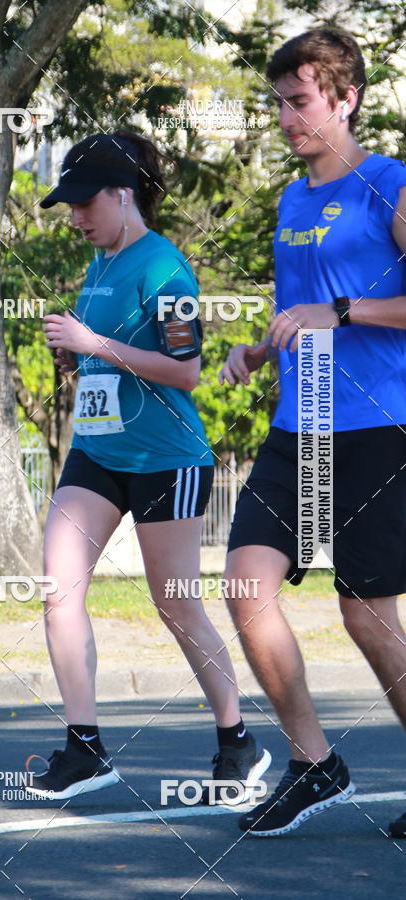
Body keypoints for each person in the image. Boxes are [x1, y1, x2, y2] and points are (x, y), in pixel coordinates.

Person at [24, 130, 271, 802]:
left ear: (122, 194)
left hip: (167, 458)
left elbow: (186, 372)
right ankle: (86, 747)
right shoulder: (99, 266)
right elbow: (111, 357)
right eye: (68, 204)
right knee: (59, 589)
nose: (73, 216)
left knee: (175, 605)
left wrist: (92, 340)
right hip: (97, 453)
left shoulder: (167, 269)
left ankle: (237, 740)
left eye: (82, 203)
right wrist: (80, 358)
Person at [218, 27, 406, 837]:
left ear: (345, 96)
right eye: (279, 104)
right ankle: (314, 763)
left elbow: (343, 308)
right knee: (244, 586)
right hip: (301, 427)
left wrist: (340, 312)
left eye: (300, 102)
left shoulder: (389, 186)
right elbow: (297, 310)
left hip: (378, 426)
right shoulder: (292, 201)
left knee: (366, 617)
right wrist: (259, 347)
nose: (287, 119)